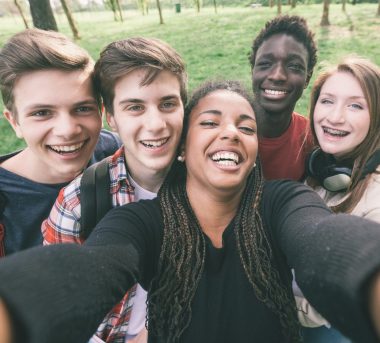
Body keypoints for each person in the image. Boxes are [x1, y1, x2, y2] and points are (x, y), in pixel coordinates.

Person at [1, 80, 380, 343]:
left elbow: (322, 241)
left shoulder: (283, 202)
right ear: (182, 148)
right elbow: (90, 268)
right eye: (210, 122)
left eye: (245, 128)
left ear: (252, 157)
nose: (230, 133)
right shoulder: (142, 222)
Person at [42, 37, 187, 342]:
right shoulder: (78, 203)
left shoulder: (208, 185)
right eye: (135, 107)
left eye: (168, 103)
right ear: (111, 117)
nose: (156, 123)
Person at [0, 29, 121, 257]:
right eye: (42, 112)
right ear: (14, 121)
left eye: (82, 108)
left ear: (101, 111)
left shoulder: (115, 150)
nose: (67, 131)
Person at [297, 56, 380, 342]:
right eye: (327, 100)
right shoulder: (322, 171)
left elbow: (338, 298)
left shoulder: (375, 200)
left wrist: (269, 300)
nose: (334, 117)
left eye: (355, 105)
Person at [249, 15, 316, 180]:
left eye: (294, 66)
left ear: (307, 78)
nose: (277, 76)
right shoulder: (224, 130)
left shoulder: (311, 139)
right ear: (253, 71)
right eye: (265, 64)